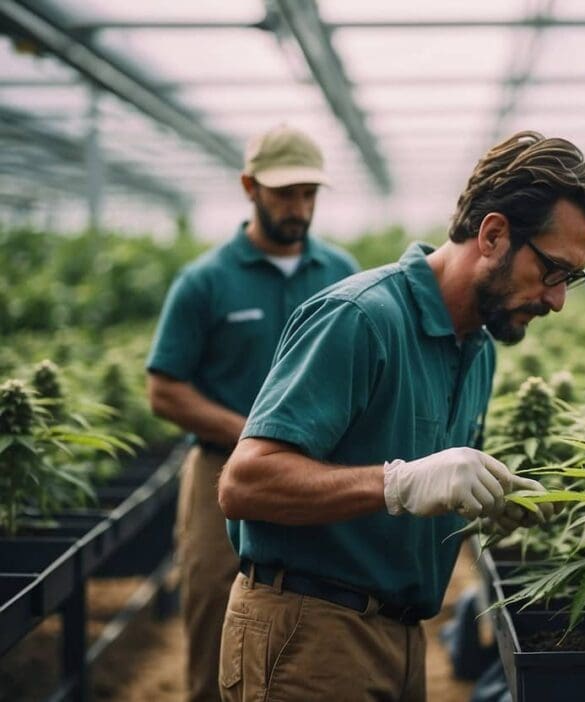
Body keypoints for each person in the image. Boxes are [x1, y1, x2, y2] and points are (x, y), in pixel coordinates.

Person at [216, 130, 585, 702]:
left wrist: (487, 500)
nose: (558, 300)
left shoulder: (477, 348)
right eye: (554, 271)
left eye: (572, 280)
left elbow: (436, 487)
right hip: (309, 635)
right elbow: (245, 483)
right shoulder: (360, 319)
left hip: (403, 635)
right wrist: (399, 482)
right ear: (493, 234)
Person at [145, 124, 360, 702]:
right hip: (220, 477)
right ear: (249, 187)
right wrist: (259, 438)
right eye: (285, 192)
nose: (299, 206)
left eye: (309, 193)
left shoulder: (343, 274)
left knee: (312, 620)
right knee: (215, 614)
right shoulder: (206, 282)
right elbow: (165, 389)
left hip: (315, 480)